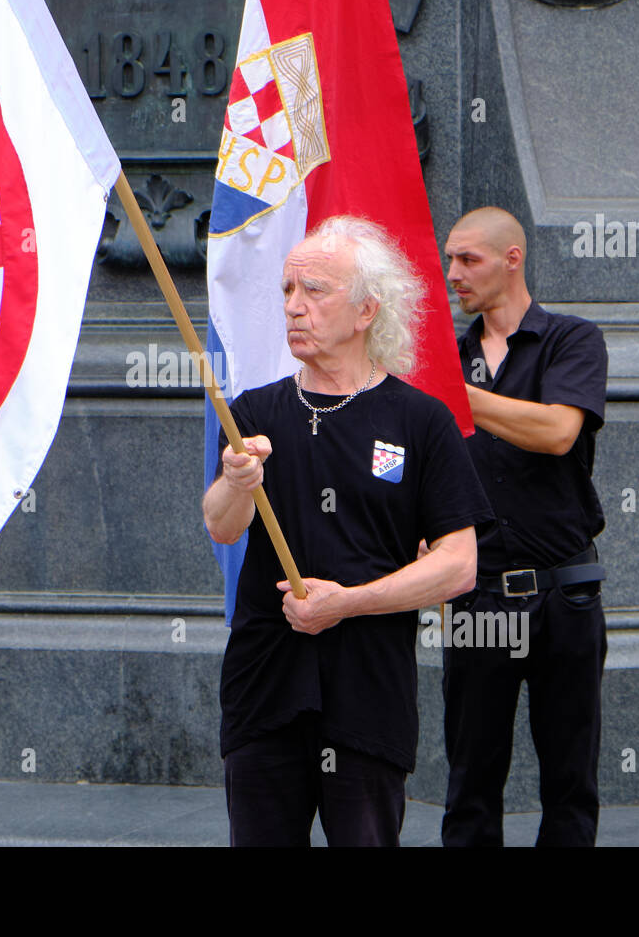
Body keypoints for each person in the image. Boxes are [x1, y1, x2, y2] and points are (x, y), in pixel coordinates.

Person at [203, 214, 493, 847]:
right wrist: (235, 482)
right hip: (265, 689)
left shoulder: (420, 421)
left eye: (315, 290)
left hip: (367, 693)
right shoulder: (254, 413)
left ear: (366, 311)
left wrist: (350, 604)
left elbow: (459, 565)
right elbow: (222, 528)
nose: (294, 307)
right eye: (287, 290)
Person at [440, 206, 609, 847]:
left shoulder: (571, 339)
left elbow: (558, 431)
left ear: (513, 259)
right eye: (449, 259)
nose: (454, 273)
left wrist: (452, 394)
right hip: (477, 592)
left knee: (569, 782)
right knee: (470, 781)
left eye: (468, 260)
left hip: (565, 593)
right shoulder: (449, 354)